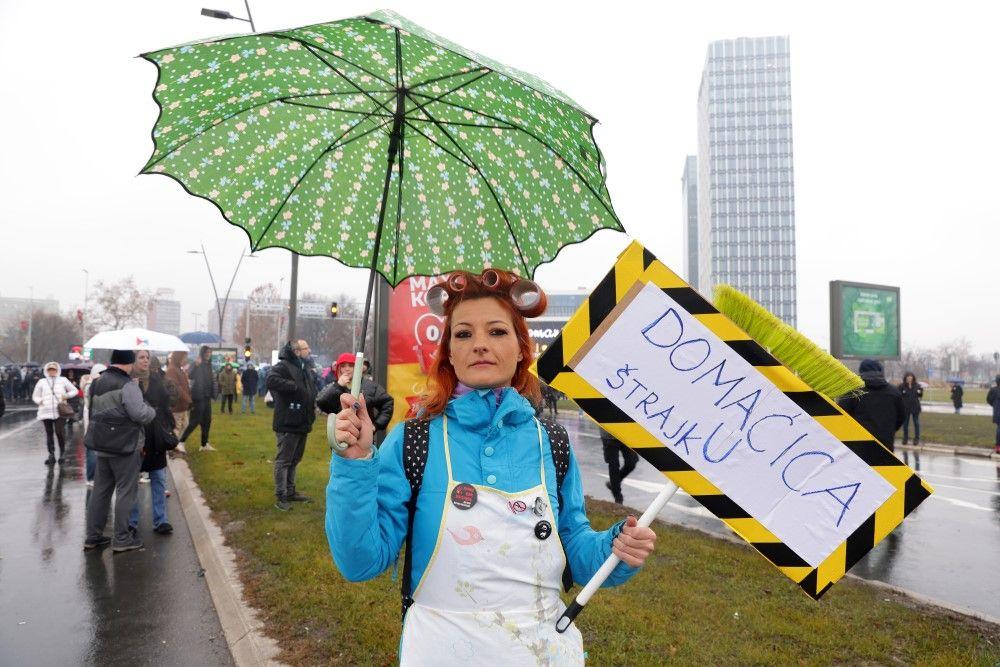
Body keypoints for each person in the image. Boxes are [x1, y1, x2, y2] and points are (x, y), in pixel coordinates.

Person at [328, 269, 656, 663]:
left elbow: (578, 554)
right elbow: (360, 561)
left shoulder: (553, 442)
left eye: (497, 332)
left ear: (522, 348)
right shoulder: (413, 440)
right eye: (464, 334)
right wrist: (355, 463)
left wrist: (617, 548)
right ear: (449, 351)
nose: (480, 344)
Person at [84, 349, 156, 552]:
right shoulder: (128, 385)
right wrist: (151, 409)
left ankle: (93, 536)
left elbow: (93, 410)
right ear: (128, 363)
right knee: (126, 492)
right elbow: (140, 414)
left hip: (102, 445)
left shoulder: (96, 383)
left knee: (100, 492)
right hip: (125, 446)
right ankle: (122, 539)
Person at [267, 340, 317, 511]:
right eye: (306, 348)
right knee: (284, 460)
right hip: (288, 422)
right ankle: (281, 496)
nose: (308, 351)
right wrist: (292, 386)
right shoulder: (283, 366)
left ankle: (290, 491)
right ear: (296, 351)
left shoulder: (303, 367)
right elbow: (271, 380)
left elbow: (310, 389)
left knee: (295, 459)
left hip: (302, 421)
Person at [129, 353, 176, 535]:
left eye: (147, 357)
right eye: (141, 357)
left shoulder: (158, 381)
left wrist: (167, 426)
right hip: (136, 437)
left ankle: (161, 520)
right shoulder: (128, 382)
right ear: (134, 361)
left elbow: (167, 405)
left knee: (158, 479)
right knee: (131, 481)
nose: (145, 360)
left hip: (156, 436)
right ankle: (132, 522)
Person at [316, 352, 394, 444]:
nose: (347, 369)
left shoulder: (370, 386)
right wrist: (338, 386)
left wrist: (376, 425)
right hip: (341, 437)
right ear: (338, 369)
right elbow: (321, 403)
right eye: (343, 366)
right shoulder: (334, 386)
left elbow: (387, 402)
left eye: (350, 366)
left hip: (364, 438)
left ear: (356, 368)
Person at [838, 359, 906, 452]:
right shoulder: (894, 393)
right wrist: (888, 429)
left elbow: (840, 416)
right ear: (881, 371)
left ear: (861, 371)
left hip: (858, 446)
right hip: (886, 445)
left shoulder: (853, 392)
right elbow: (901, 417)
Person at [33, 361, 77, 465]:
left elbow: (74, 390)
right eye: (50, 370)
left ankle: (62, 453)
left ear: (57, 370)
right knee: (49, 433)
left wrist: (66, 396)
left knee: (59, 432)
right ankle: (51, 455)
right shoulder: (41, 382)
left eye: (54, 369)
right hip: (45, 411)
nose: (52, 371)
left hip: (60, 411)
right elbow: (35, 395)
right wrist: (40, 401)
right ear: (46, 371)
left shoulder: (63, 380)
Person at [179, 345, 215, 452]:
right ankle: (181, 442)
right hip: (198, 397)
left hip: (206, 396)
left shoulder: (209, 364)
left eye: (210, 352)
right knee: (195, 421)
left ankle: (204, 444)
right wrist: (195, 365)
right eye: (207, 352)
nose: (208, 354)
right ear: (202, 353)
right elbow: (189, 375)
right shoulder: (197, 363)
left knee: (207, 420)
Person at [81, 363, 107, 487]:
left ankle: (94, 477)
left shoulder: (88, 385)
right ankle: (92, 477)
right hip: (93, 421)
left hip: (92, 420)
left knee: (95, 450)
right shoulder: (92, 386)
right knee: (93, 450)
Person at [601, 428, 638, 504]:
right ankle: (618, 498)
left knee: (632, 462)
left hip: (624, 433)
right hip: (608, 435)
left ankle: (613, 484)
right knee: (613, 465)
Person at [165, 351, 192, 439]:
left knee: (184, 425)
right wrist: (188, 399)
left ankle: (174, 446)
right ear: (178, 357)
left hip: (183, 405)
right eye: (184, 357)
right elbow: (177, 388)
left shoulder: (178, 369)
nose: (185, 360)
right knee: (176, 428)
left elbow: (185, 386)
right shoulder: (172, 370)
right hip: (177, 405)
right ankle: (170, 448)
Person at [898, 371, 923, 446]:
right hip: (905, 408)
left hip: (915, 407)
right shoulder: (901, 386)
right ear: (905, 378)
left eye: (910, 378)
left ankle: (916, 439)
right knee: (905, 424)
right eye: (908, 378)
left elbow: (920, 395)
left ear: (913, 378)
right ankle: (905, 438)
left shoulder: (917, 386)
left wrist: (920, 391)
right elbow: (899, 396)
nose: (909, 379)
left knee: (916, 423)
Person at [987, 376, 1000, 454]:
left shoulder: (993, 390)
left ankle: (998, 446)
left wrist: (994, 405)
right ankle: (998, 446)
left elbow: (988, 400)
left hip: (997, 412)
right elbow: (989, 400)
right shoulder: (994, 390)